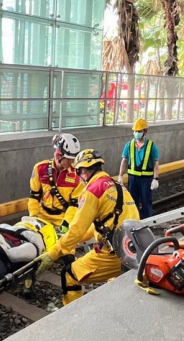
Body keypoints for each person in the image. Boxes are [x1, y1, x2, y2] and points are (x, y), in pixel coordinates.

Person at [35, 149, 140, 305]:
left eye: (78, 173)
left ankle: (72, 317)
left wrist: (52, 255)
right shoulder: (118, 186)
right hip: (135, 249)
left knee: (69, 274)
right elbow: (102, 225)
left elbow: (76, 229)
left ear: (83, 172)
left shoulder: (92, 191)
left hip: (115, 255)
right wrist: (74, 239)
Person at [28, 133, 85, 233]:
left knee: (65, 248)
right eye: (69, 160)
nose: (73, 163)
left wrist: (66, 223)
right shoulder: (39, 169)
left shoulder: (77, 176)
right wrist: (33, 217)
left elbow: (74, 205)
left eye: (74, 159)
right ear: (59, 155)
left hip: (62, 220)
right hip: (41, 218)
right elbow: (34, 197)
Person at [118, 118, 160, 219]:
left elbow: (155, 163)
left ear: (145, 131)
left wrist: (155, 179)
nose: (136, 133)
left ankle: (147, 221)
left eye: (139, 131)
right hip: (132, 179)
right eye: (135, 131)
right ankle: (134, 220)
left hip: (146, 180)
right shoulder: (129, 145)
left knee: (146, 201)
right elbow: (124, 161)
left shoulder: (151, 146)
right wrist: (120, 175)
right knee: (132, 201)